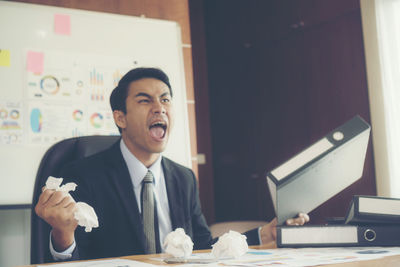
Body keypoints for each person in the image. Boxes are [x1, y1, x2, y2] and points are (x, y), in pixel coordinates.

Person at [35, 67, 309, 262]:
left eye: (165, 99)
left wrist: (263, 234)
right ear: (121, 118)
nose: (160, 107)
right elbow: (73, 258)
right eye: (145, 100)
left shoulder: (184, 178)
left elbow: (202, 247)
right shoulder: (83, 174)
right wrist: (63, 233)